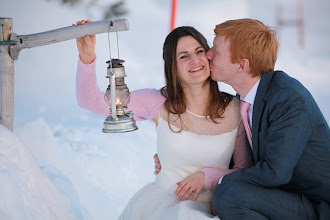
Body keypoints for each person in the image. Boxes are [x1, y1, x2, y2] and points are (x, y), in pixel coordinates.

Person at [74, 20, 250, 219]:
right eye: (184, 56)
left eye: (199, 51)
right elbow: (91, 102)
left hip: (214, 208)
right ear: (173, 68)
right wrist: (86, 58)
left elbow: (243, 171)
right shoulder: (159, 102)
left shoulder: (236, 109)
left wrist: (207, 177)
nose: (195, 60)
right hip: (164, 205)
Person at [205, 18, 330, 219]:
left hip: (315, 204)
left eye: (216, 52)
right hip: (283, 195)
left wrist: (221, 182)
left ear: (242, 65)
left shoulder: (288, 98)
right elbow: (234, 159)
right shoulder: (245, 101)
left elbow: (275, 172)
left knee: (229, 196)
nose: (208, 55)